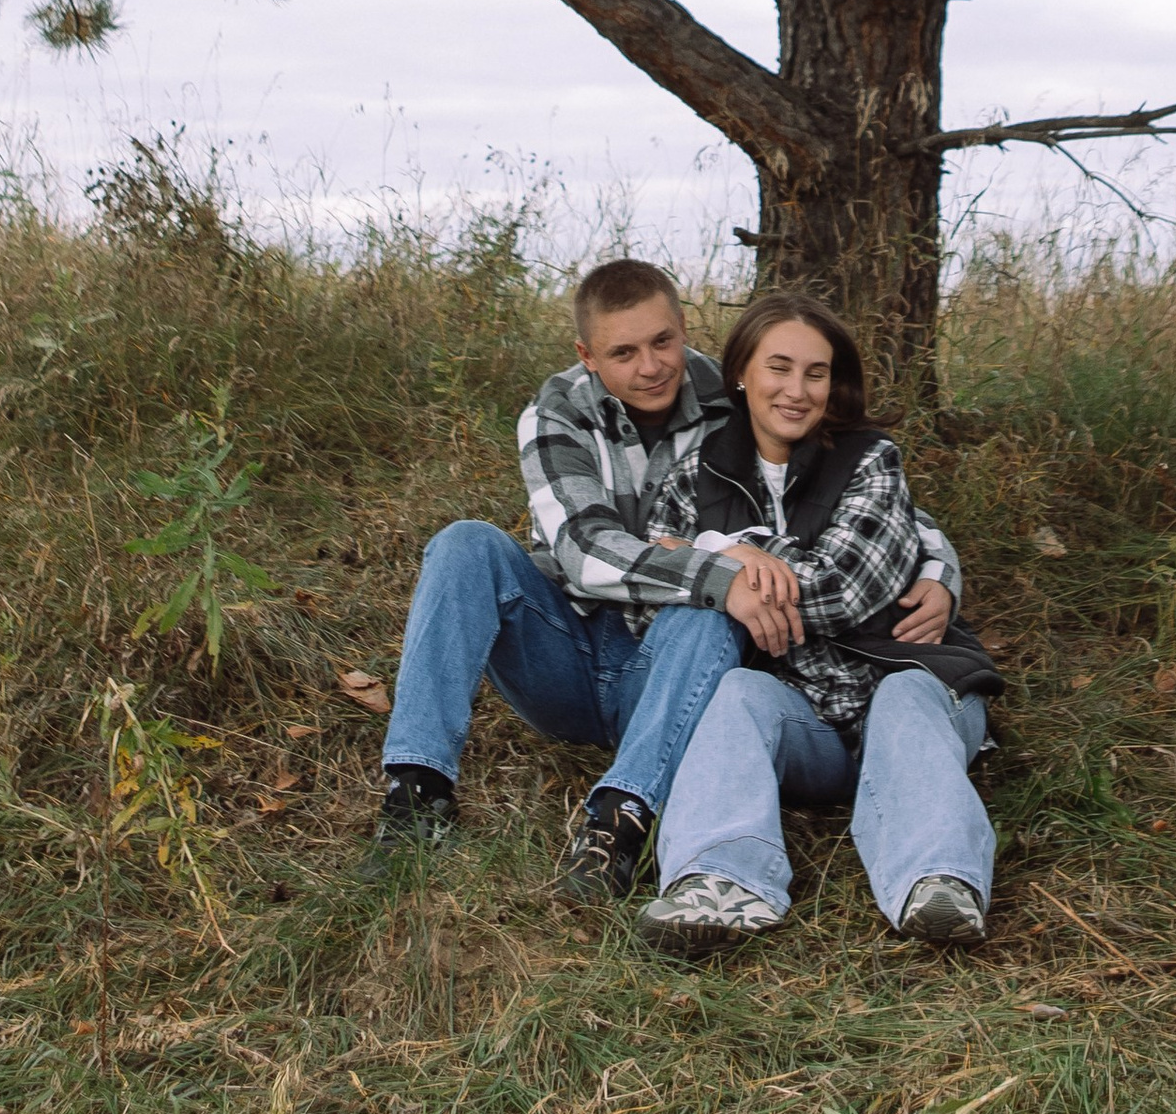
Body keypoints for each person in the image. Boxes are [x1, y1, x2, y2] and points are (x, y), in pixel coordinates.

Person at [371, 259, 967, 904]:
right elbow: (583, 552)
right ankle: (418, 789)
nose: (650, 367)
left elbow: (852, 485)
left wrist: (938, 568)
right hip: (567, 649)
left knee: (706, 610)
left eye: (663, 342)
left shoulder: (730, 386)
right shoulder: (557, 414)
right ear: (588, 355)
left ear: (684, 328)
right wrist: (720, 570)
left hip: (681, 660)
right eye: (622, 352)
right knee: (465, 544)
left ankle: (621, 820)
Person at [634, 289, 1004, 958]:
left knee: (904, 694)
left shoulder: (870, 459)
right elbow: (653, 586)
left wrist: (719, 552)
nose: (796, 390)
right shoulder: (698, 470)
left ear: (834, 385)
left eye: (816, 372)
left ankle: (939, 880)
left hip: (906, 676)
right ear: (741, 371)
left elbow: (845, 588)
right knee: (737, 695)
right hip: (805, 712)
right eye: (779, 368)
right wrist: (717, 559)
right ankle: (718, 880)